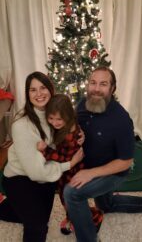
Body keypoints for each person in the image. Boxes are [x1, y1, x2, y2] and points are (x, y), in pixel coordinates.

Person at [63, 66, 142, 242]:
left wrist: (90, 174)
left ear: (112, 89)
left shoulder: (121, 120)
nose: (96, 89)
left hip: (112, 171)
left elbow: (125, 162)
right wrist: (78, 133)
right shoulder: (82, 104)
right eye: (93, 83)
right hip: (88, 163)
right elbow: (75, 126)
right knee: (105, 204)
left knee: (72, 193)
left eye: (103, 84)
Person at [0, 71, 83, 242]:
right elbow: (37, 172)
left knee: (33, 216)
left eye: (43, 87)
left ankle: (7, 206)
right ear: (27, 94)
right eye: (33, 90)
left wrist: (81, 134)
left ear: (51, 89)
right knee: (38, 226)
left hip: (46, 175)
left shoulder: (54, 112)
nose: (39, 94)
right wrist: (70, 164)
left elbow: (71, 121)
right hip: (20, 177)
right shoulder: (22, 125)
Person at [37, 94, 103, 235]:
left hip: (72, 173)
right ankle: (71, 217)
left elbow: (64, 158)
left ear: (67, 116)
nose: (54, 123)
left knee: (70, 201)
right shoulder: (66, 125)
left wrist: (45, 150)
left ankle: (95, 217)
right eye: (51, 118)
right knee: (65, 200)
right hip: (65, 172)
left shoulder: (71, 134)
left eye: (59, 119)